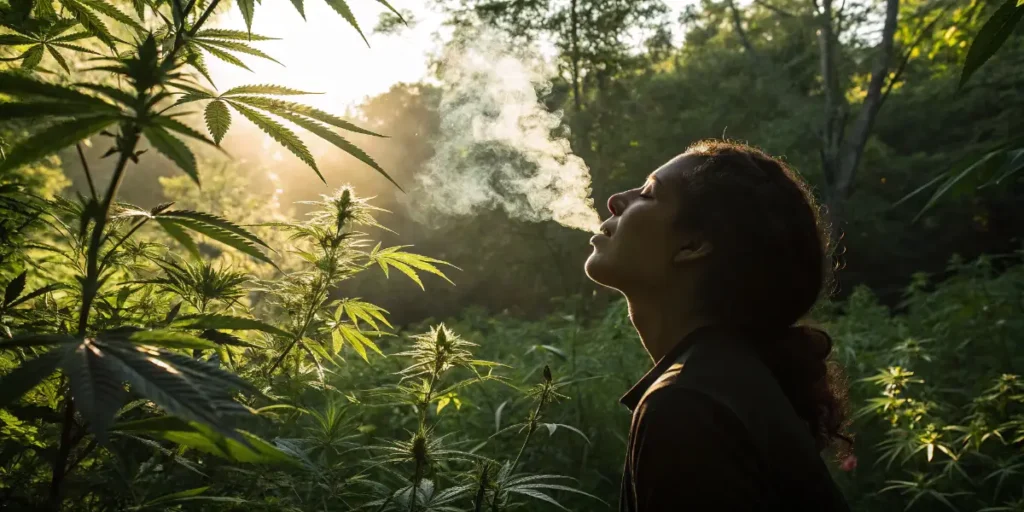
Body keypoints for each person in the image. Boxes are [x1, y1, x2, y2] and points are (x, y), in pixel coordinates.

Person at [585, 140, 854, 511]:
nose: (615, 200)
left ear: (693, 245)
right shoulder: (729, 383)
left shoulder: (686, 406)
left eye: (648, 194)